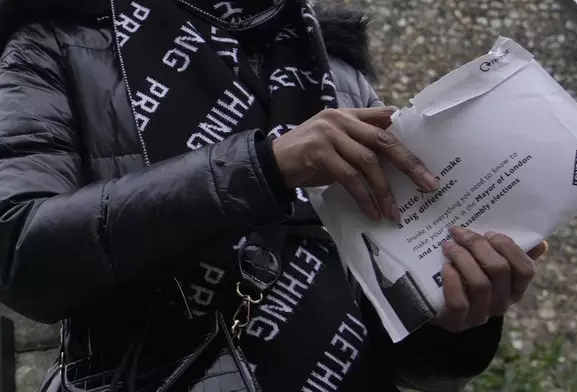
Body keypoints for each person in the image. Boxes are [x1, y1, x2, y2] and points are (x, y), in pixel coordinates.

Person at [0, 0, 547, 391]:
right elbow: (20, 251)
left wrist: (450, 320)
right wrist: (263, 166)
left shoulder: (338, 72)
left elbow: (402, 354)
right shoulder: (56, 42)